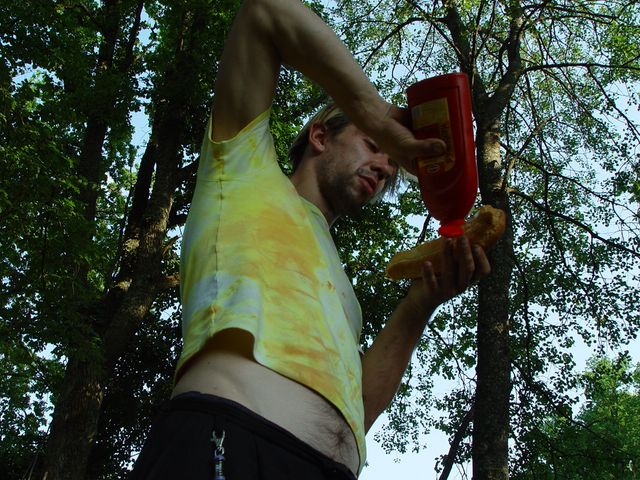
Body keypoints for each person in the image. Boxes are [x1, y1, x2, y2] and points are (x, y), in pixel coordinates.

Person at [130, 0, 491, 478]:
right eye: (373, 145)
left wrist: (421, 302)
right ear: (320, 136)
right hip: (231, 440)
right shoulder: (242, 172)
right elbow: (265, 13)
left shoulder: (339, 290)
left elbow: (357, 409)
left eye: (390, 168)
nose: (384, 168)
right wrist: (378, 113)